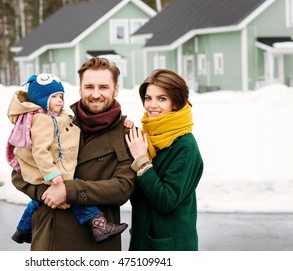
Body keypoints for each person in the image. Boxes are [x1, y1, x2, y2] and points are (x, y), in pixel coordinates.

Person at [11, 57, 136, 251]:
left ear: (116, 89)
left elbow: (123, 188)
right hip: (49, 238)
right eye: (89, 87)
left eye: (103, 87)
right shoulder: (52, 119)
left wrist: (69, 191)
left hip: (96, 246)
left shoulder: (126, 133)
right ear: (80, 89)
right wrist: (47, 193)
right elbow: (20, 173)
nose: (95, 94)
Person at [125, 69, 203, 251]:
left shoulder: (185, 145)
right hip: (142, 239)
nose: (152, 105)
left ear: (176, 102)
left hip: (171, 245)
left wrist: (142, 161)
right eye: (148, 98)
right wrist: (124, 130)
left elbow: (166, 201)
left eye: (161, 99)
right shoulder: (147, 136)